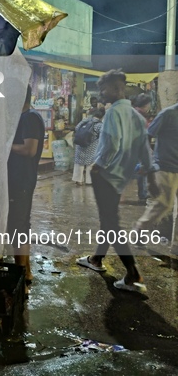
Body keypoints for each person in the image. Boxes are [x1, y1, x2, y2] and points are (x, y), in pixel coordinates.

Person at [76, 70, 157, 293]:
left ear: (115, 88)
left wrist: (98, 165)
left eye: (104, 88)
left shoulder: (112, 114)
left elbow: (112, 142)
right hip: (121, 177)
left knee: (112, 225)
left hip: (106, 176)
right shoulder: (138, 118)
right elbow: (145, 151)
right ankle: (96, 259)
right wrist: (150, 175)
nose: (101, 93)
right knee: (108, 219)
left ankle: (132, 272)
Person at [7, 84, 45, 289]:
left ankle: (21, 276)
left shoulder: (30, 117)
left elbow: (30, 149)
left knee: (18, 226)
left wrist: (4, 146)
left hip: (21, 180)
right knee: (20, 225)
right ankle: (26, 272)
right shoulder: (24, 118)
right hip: (18, 180)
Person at [133, 100, 178, 252]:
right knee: (163, 204)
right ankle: (140, 228)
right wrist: (148, 164)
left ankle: (176, 244)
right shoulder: (168, 114)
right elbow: (147, 136)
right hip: (166, 166)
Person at [72, 107, 104, 186]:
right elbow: (103, 135)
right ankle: (89, 181)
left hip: (80, 145)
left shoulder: (84, 121)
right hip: (92, 147)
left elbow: (76, 128)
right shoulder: (99, 124)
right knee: (90, 164)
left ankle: (78, 180)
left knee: (79, 163)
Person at [132, 93, 153, 204]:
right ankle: (143, 193)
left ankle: (143, 193)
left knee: (141, 170)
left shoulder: (133, 113)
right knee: (141, 169)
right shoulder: (139, 116)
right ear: (145, 105)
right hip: (136, 148)